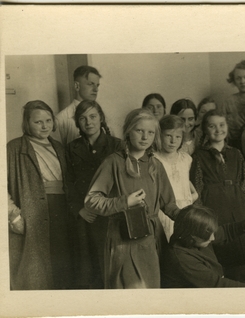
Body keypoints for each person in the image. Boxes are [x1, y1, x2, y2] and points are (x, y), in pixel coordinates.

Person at [84, 108, 180, 289]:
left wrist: (189, 218)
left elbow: (170, 206)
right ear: (128, 132)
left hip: (152, 240)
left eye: (150, 132)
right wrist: (124, 202)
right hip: (123, 240)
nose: (145, 137)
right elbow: (91, 201)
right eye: (139, 131)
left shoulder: (155, 165)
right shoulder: (113, 162)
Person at [7, 100, 73, 290]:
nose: (45, 126)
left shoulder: (59, 147)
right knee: (35, 272)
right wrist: (14, 215)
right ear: (26, 123)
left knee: (61, 266)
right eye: (38, 122)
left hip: (61, 213)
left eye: (48, 120)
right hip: (32, 214)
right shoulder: (13, 148)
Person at [66, 100, 122, 289]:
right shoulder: (71, 148)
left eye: (92, 116)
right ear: (77, 123)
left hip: (109, 216)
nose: (88, 122)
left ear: (101, 118)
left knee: (111, 268)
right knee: (86, 270)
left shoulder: (117, 145)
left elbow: (122, 183)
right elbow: (68, 182)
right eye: (82, 118)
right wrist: (78, 209)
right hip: (85, 217)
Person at [190, 109, 245, 271]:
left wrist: (244, 206)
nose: (218, 130)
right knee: (219, 242)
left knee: (240, 243)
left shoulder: (236, 153)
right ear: (205, 129)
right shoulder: (199, 155)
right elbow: (197, 186)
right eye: (212, 126)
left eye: (221, 125)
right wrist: (202, 212)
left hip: (236, 203)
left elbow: (243, 182)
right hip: (214, 205)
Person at [161, 205, 245, 288]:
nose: (213, 238)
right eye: (208, 237)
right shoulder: (181, 260)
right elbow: (218, 285)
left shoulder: (193, 234)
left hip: (215, 282)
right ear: (193, 236)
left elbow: (223, 232)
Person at [154, 115, 198, 241]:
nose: (173, 141)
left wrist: (194, 195)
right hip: (164, 210)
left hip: (185, 208)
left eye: (178, 137)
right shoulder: (154, 159)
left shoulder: (186, 159)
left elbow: (185, 180)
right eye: (168, 136)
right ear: (159, 136)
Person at [53, 65, 102, 146]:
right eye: (90, 84)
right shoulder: (61, 119)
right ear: (77, 86)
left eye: (97, 85)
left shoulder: (100, 114)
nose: (96, 89)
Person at [220, 60, 245, 149]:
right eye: (238, 78)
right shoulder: (228, 101)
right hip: (233, 144)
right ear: (234, 80)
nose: (242, 81)